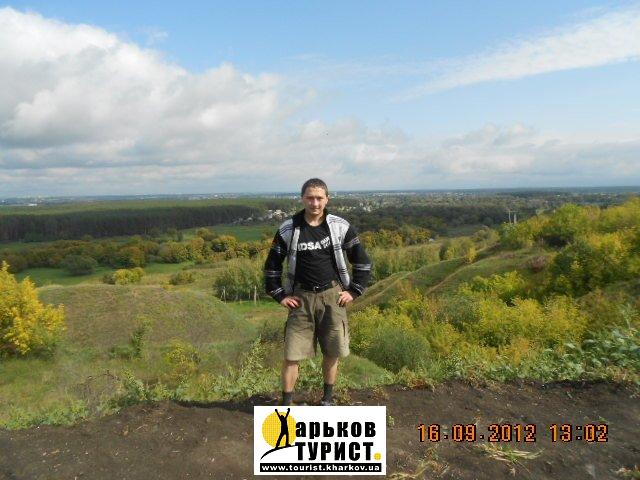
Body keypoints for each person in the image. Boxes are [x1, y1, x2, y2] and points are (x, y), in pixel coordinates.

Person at [264, 178, 372, 406]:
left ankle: (327, 400)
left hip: (333, 296)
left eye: (319, 198)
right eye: (310, 198)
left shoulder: (340, 227)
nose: (315, 203)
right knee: (292, 355)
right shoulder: (289, 229)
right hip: (300, 299)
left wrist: (354, 291)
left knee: (332, 351)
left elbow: (362, 262)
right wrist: (280, 295)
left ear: (327, 199)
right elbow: (272, 266)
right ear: (302, 199)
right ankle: (287, 405)